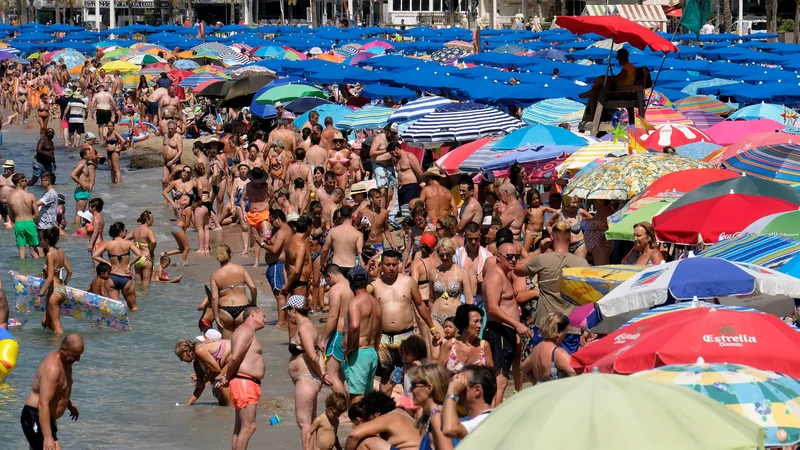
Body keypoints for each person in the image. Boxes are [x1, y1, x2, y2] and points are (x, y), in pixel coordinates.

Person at [371, 250, 440, 391]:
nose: (391, 268)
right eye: (387, 265)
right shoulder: (375, 285)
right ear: (381, 265)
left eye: (394, 264)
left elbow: (421, 305)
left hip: (406, 336)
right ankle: (386, 410)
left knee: (410, 374)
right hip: (384, 337)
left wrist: (432, 328)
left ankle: (410, 408)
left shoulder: (408, 282)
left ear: (399, 264)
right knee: (385, 376)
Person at [515, 221, 588, 355]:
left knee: (542, 368)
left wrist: (539, 250)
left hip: (545, 325)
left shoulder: (542, 259)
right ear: (571, 238)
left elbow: (517, 269)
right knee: (566, 369)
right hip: (571, 328)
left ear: (552, 238)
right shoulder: (582, 263)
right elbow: (587, 297)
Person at [483, 242, 531, 405]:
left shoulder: (504, 274)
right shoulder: (495, 276)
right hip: (499, 332)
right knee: (500, 380)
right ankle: (493, 419)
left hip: (506, 332)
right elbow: (493, 307)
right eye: (509, 257)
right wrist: (516, 324)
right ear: (498, 257)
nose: (513, 260)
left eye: (516, 257)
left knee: (501, 380)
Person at [216, 306, 267, 450]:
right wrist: (227, 376)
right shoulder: (245, 331)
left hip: (245, 382)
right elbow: (236, 357)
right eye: (263, 316)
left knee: (240, 428)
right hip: (245, 382)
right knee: (249, 427)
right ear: (253, 314)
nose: (265, 320)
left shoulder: (246, 331)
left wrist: (228, 377)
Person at [20, 334, 83, 450]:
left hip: (46, 418)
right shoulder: (53, 369)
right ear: (63, 350)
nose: (78, 359)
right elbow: (43, 403)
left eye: (79, 356)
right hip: (35, 415)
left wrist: (69, 404)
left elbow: (59, 389)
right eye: (75, 356)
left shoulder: (66, 362)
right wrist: (48, 437)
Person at [285, 295, 332, 447]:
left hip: (306, 379)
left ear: (293, 310)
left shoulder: (304, 327)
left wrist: (322, 374)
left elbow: (312, 355)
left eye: (287, 310)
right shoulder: (306, 325)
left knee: (303, 422)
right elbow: (318, 353)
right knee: (309, 423)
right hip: (309, 379)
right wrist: (322, 373)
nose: (286, 314)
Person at [343, 266, 382, 402]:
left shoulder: (355, 302)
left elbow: (354, 326)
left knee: (356, 398)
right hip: (371, 352)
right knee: (367, 398)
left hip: (358, 353)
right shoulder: (375, 302)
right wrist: (375, 350)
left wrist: (349, 348)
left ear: (350, 283)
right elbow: (379, 330)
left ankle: (358, 424)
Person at [428, 239, 472, 359]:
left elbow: (469, 300)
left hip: (455, 318)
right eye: (442, 255)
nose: (445, 257)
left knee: (454, 355)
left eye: (448, 254)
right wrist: (431, 318)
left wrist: (466, 320)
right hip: (436, 317)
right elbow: (431, 299)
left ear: (453, 253)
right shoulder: (433, 273)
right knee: (436, 356)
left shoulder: (462, 272)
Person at [210, 244, 258, 340]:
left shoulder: (214, 275)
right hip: (242, 308)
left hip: (225, 310)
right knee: (244, 342)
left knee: (228, 345)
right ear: (230, 254)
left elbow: (214, 298)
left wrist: (216, 316)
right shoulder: (240, 269)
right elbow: (253, 288)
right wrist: (253, 302)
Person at [345, 391, 421, 450]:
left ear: (377, 412)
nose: (368, 419)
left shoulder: (387, 417)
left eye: (368, 415)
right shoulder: (400, 413)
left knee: (366, 441)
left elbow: (353, 436)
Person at [92, 222, 142, 311]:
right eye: (125, 230)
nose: (126, 232)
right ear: (121, 232)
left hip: (112, 277)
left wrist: (107, 263)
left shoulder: (108, 244)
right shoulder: (128, 243)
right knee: (134, 308)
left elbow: (95, 255)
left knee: (115, 309)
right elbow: (139, 254)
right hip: (125, 277)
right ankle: (134, 323)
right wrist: (130, 264)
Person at [319, 264, 352, 394]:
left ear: (330, 276)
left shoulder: (336, 290)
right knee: (345, 377)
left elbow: (333, 317)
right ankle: (352, 408)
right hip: (352, 335)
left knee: (332, 375)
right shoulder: (352, 285)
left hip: (338, 335)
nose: (328, 283)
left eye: (327, 280)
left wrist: (322, 339)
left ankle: (342, 411)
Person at [580, 49, 637, 122]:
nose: (618, 60)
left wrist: (605, 77)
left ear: (620, 58)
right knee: (595, 90)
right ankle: (591, 94)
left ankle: (591, 113)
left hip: (622, 93)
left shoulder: (626, 69)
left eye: (617, 58)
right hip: (621, 91)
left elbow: (616, 79)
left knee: (600, 80)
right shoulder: (629, 66)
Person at [441, 365, 495, 441]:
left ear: (477, 390)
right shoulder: (467, 420)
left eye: (462, 384)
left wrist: (452, 392)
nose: (457, 387)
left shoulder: (487, 420)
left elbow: (449, 429)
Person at [174, 338, 233, 407]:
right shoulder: (196, 363)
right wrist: (188, 404)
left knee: (220, 384)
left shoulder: (199, 351)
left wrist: (205, 380)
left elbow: (216, 370)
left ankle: (232, 409)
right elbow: (200, 385)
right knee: (218, 393)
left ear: (186, 352)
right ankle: (227, 412)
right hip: (228, 362)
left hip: (236, 355)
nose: (181, 360)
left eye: (180, 356)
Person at [521, 312, 576, 385]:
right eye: (566, 330)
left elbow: (524, 369)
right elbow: (573, 372)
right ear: (558, 332)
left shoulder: (536, 349)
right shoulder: (557, 353)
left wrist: (536, 384)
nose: (566, 333)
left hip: (541, 393)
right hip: (556, 394)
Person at [258, 209, 292, 324]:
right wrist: (266, 238)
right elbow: (273, 241)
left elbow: (275, 249)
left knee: (280, 295)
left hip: (278, 265)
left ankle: (280, 322)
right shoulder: (283, 230)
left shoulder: (282, 232)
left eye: (273, 221)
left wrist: (262, 244)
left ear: (278, 219)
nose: (271, 223)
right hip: (279, 265)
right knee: (284, 294)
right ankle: (285, 320)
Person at [409, 363, 453, 450]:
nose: (409, 389)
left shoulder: (437, 417)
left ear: (429, 388)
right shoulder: (432, 415)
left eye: (413, 385)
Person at [438, 304, 492, 373]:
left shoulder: (484, 346)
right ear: (464, 323)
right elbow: (437, 375)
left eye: (480, 321)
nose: (480, 325)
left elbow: (491, 377)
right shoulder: (450, 345)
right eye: (476, 321)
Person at [37, 226, 72, 334]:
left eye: (41, 239)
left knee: (57, 326)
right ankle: (52, 342)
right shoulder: (60, 251)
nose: (40, 241)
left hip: (54, 292)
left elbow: (50, 277)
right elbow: (70, 272)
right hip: (61, 290)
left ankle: (62, 346)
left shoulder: (50, 254)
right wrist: (63, 285)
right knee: (45, 322)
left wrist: (39, 295)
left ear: (46, 241)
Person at [320, 205, 363, 273]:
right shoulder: (358, 234)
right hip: (351, 267)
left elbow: (325, 250)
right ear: (351, 215)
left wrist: (321, 264)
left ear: (341, 215)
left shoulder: (333, 231)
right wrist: (363, 268)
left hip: (336, 266)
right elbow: (360, 253)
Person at [8, 173, 40, 258]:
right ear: (20, 182)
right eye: (25, 180)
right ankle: (37, 270)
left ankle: (23, 271)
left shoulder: (10, 197)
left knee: (22, 251)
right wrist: (31, 220)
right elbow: (37, 214)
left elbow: (11, 216)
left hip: (18, 224)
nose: (27, 182)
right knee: (34, 250)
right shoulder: (30, 196)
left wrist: (17, 222)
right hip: (30, 222)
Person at [356, 188, 396, 253]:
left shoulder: (384, 213)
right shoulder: (362, 212)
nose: (380, 199)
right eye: (377, 197)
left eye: (380, 197)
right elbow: (354, 227)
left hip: (379, 245)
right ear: (370, 199)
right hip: (366, 245)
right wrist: (362, 228)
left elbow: (386, 230)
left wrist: (392, 244)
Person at [71, 145, 96, 228]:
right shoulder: (81, 165)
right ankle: (77, 229)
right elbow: (73, 175)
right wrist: (82, 184)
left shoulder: (86, 165)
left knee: (80, 211)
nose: (91, 155)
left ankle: (77, 228)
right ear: (85, 156)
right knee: (80, 212)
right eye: (89, 154)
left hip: (83, 191)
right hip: (81, 191)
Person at [131, 210, 157, 288]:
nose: (153, 220)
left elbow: (125, 239)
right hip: (146, 258)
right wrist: (150, 251)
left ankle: (139, 299)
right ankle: (146, 299)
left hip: (137, 258)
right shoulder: (148, 231)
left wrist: (134, 248)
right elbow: (153, 241)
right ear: (147, 220)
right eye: (152, 218)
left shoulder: (135, 230)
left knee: (138, 284)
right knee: (146, 285)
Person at [585, 200, 615, 265]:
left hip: (601, 245)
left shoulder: (606, 210)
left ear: (601, 200)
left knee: (602, 270)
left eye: (596, 200)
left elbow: (611, 225)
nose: (594, 202)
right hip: (597, 246)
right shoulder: (601, 210)